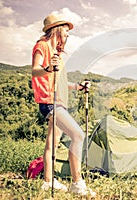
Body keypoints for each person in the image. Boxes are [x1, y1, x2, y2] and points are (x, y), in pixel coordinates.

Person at [31, 14, 96, 197]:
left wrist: (77, 86)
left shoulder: (57, 54)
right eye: (66, 32)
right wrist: (47, 68)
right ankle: (77, 183)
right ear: (57, 30)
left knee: (53, 143)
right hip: (50, 102)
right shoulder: (42, 46)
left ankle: (48, 181)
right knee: (78, 135)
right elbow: (35, 70)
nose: (67, 36)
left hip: (59, 101)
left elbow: (57, 79)